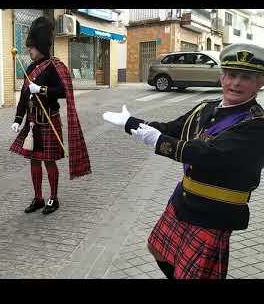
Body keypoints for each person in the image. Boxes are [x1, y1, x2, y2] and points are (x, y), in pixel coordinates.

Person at [103, 43, 264, 279]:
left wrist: (156, 141)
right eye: (230, 75)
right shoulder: (206, 108)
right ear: (222, 77)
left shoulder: (256, 124)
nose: (235, 83)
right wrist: (132, 123)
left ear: (259, 83)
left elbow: (206, 154)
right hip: (184, 199)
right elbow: (172, 128)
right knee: (157, 248)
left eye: (246, 77)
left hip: (214, 211)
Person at [10, 16, 91, 215]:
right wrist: (17, 120)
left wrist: (42, 90)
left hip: (48, 120)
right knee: (34, 160)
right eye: (28, 48)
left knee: (48, 160)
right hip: (32, 123)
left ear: (40, 47)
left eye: (31, 48)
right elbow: (23, 96)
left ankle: (53, 199)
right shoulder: (29, 68)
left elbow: (64, 92)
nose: (28, 51)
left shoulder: (55, 66)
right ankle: (38, 198)